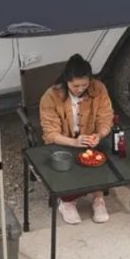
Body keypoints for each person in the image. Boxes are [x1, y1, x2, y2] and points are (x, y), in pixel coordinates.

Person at [40, 54, 114, 225]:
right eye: (75, 86)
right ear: (67, 81)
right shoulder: (51, 96)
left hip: (89, 138)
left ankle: (98, 197)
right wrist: (74, 142)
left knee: (100, 155)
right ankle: (67, 202)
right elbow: (50, 133)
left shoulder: (98, 89)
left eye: (84, 85)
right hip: (64, 140)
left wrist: (99, 134)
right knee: (66, 160)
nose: (80, 89)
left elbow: (106, 117)